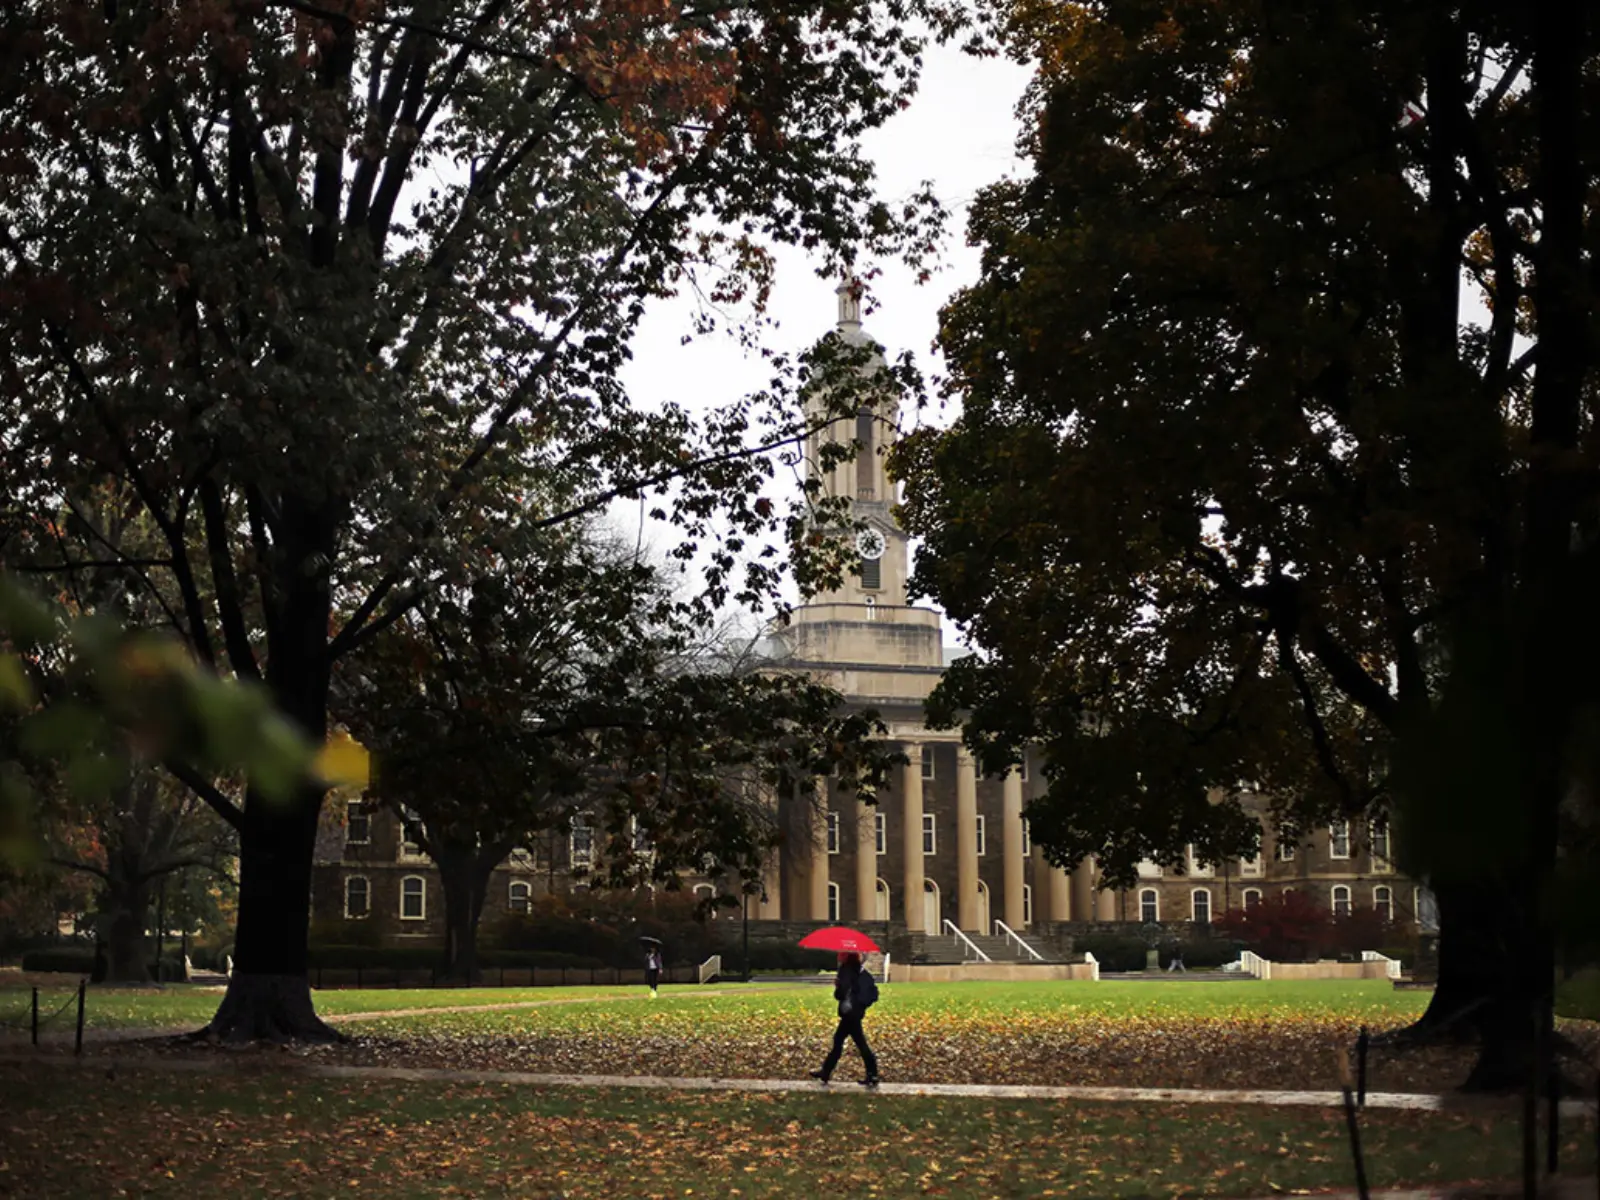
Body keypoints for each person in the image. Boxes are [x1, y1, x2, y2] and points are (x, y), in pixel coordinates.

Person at [810, 951, 880, 1088]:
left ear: (846, 956)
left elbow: (841, 994)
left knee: (854, 1043)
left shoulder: (845, 970)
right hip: (855, 1012)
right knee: (841, 1041)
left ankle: (872, 1073)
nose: (838, 956)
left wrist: (837, 987)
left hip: (849, 1014)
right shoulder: (861, 971)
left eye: (841, 954)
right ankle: (826, 1071)